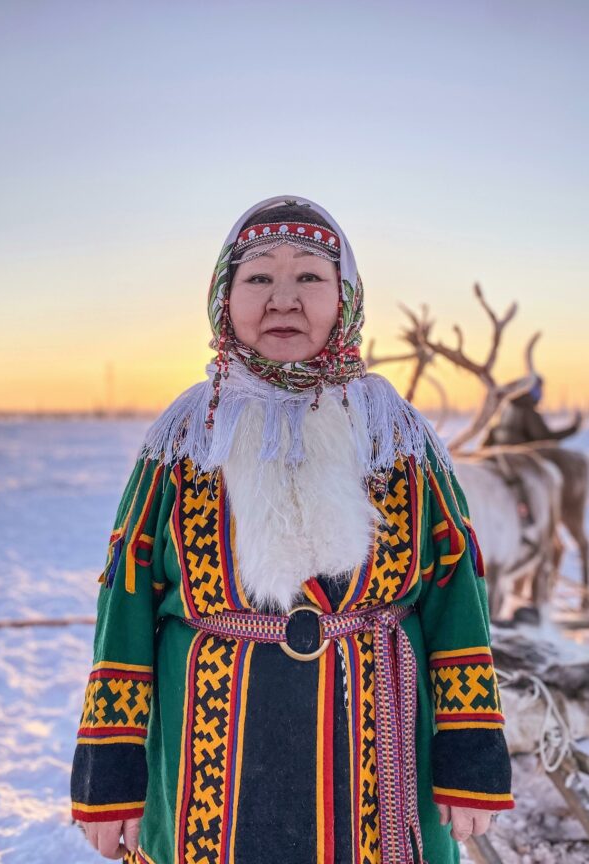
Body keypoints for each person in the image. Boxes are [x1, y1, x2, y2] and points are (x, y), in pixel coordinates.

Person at [70, 195, 515, 864]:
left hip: (379, 755)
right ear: (225, 297)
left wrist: (471, 754)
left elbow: (457, 596)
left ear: (346, 296)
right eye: (258, 278)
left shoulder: (396, 438)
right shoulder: (185, 438)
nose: (283, 299)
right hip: (205, 771)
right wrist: (110, 776)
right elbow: (125, 603)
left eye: (309, 276)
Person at [482, 376, 582, 447]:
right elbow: (544, 438)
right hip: (523, 456)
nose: (540, 393)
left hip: (503, 451)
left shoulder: (506, 408)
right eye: (537, 389)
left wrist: (484, 449)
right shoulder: (528, 411)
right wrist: (573, 428)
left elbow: (493, 431)